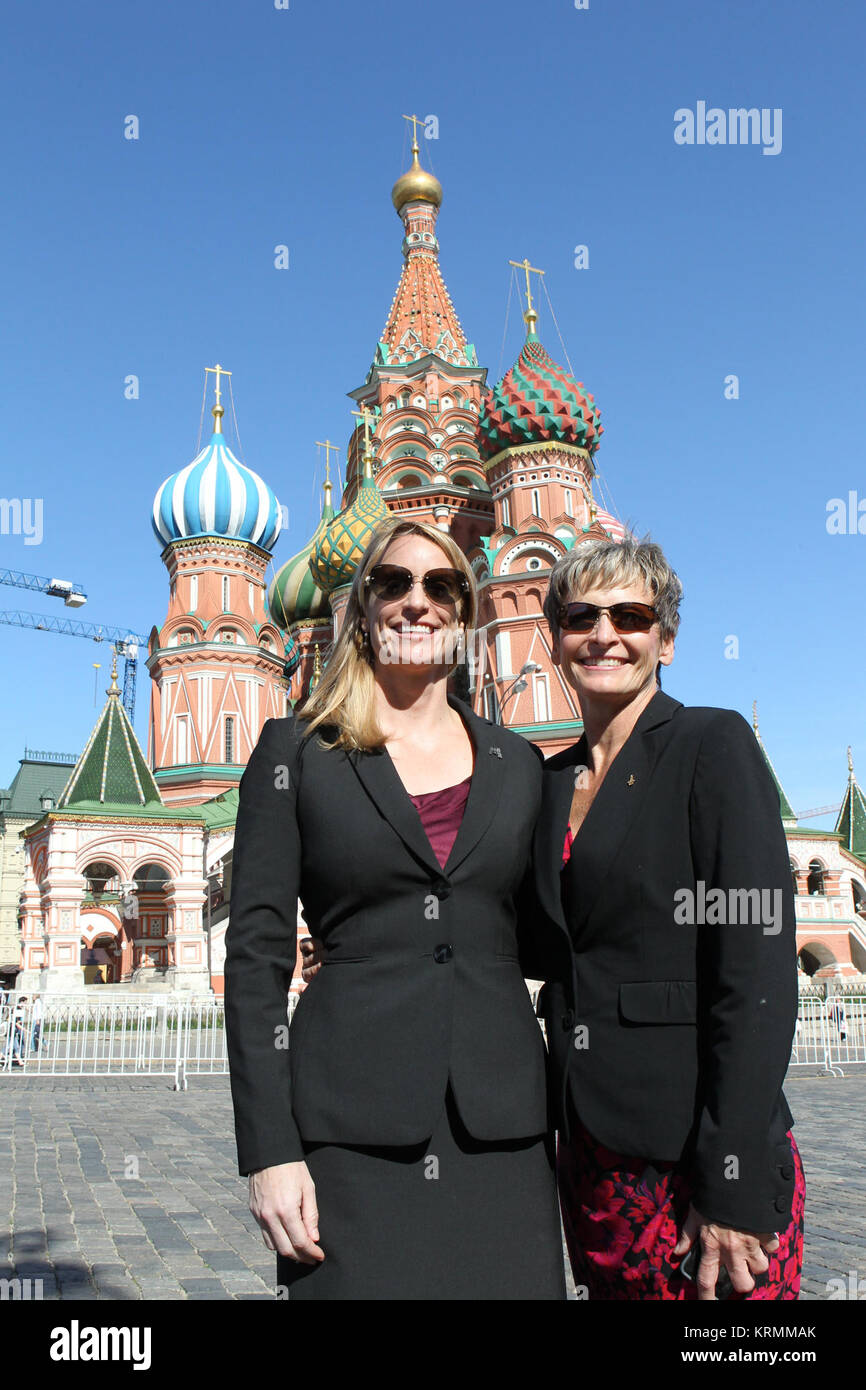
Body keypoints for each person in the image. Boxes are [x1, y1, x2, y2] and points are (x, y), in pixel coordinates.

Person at [224, 516, 565, 1301]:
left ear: (465, 613)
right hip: (351, 1131)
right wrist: (269, 1153)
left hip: (502, 1131)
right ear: (361, 607)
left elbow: (558, 933)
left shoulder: (518, 765)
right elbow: (255, 962)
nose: (418, 603)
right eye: (394, 583)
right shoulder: (296, 752)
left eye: (441, 586)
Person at [526, 534, 805, 1301]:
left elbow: (755, 976)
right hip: (590, 1151)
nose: (605, 633)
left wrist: (732, 1182)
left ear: (667, 640)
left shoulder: (709, 745)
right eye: (581, 616)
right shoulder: (548, 785)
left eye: (631, 615)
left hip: (696, 1152)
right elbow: (532, 937)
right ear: (556, 641)